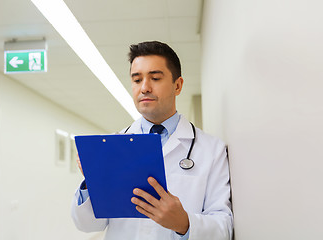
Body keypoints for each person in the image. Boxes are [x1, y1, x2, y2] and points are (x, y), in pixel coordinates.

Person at [71, 41, 233, 240]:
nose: (144, 88)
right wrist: (92, 183)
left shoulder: (211, 149)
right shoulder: (113, 145)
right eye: (137, 80)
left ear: (178, 85)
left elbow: (224, 226)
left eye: (155, 78)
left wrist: (184, 223)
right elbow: (87, 225)